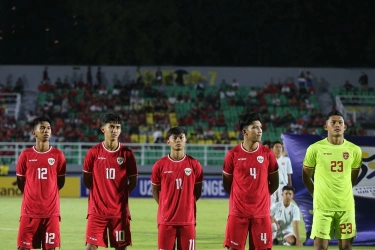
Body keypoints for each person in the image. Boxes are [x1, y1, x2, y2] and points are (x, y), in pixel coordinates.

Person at [302, 110, 362, 250]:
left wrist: (343, 192)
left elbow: (352, 178)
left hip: (345, 207)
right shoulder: (315, 149)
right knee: (320, 248)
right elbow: (306, 176)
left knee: (346, 247)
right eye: (333, 122)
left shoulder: (355, 150)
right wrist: (315, 193)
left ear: (345, 127)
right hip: (323, 207)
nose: (337, 125)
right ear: (325, 127)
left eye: (340, 122)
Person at [222, 112, 279, 250]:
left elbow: (275, 183)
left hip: (261, 213)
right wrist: (240, 198)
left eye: (260, 127)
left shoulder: (268, 154)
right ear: (244, 131)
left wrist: (261, 196)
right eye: (254, 127)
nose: (259, 130)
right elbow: (227, 184)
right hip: (238, 213)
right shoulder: (232, 155)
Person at [83, 113, 138, 250]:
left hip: (119, 212)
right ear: (103, 129)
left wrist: (120, 197)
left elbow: (133, 182)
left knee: (120, 248)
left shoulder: (127, 154)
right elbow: (86, 180)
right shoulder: (93, 153)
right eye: (111, 127)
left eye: (118, 127)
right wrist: (99, 194)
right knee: (90, 247)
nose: (115, 130)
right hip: (97, 212)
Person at [16, 116, 66, 250]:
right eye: (42, 128)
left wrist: (48, 195)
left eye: (48, 128)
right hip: (29, 211)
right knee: (22, 248)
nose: (46, 131)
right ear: (34, 133)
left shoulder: (58, 155)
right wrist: (31, 195)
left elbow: (60, 183)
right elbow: (21, 182)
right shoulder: (25, 155)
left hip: (51, 213)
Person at [151, 127, 204, 250]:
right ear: (168, 141)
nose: (178, 140)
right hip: (166, 221)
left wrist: (186, 204)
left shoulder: (195, 165)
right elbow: (155, 190)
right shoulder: (159, 165)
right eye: (174, 138)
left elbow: (197, 191)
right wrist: (165, 205)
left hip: (187, 221)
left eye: (181, 137)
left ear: (186, 141)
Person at [271, 141, 293, 206]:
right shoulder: (269, 160)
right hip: (272, 186)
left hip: (283, 185)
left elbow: (289, 174)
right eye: (276, 147)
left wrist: (290, 188)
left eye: (280, 147)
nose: (278, 148)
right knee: (272, 206)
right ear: (272, 149)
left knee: (282, 206)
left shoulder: (286, 160)